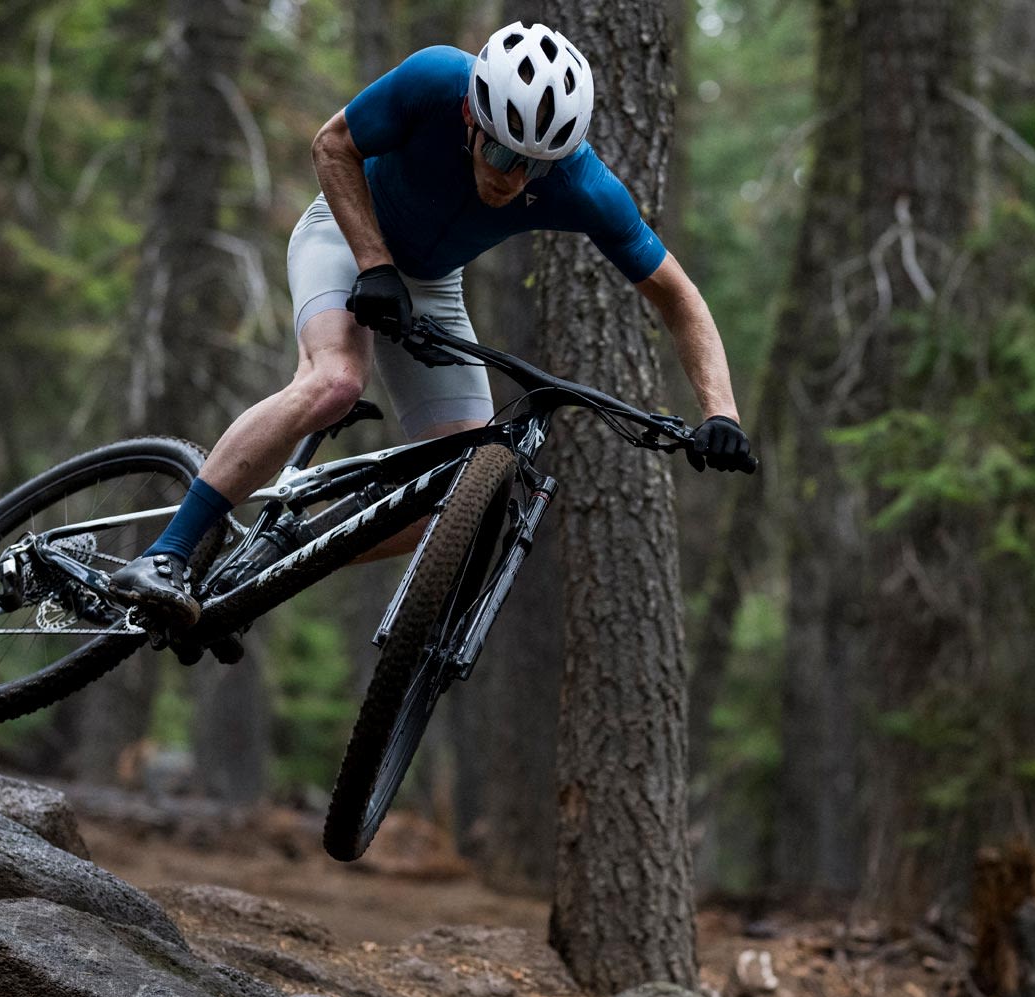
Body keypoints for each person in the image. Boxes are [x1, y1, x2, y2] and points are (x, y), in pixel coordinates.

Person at [108, 21, 754, 626]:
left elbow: (679, 297)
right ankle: (163, 554)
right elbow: (332, 146)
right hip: (346, 232)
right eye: (501, 149)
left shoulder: (580, 184)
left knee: (460, 495)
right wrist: (374, 263)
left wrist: (720, 411)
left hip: (432, 284)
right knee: (335, 381)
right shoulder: (436, 81)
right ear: (473, 116)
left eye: (533, 164)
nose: (511, 175)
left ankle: (268, 564)